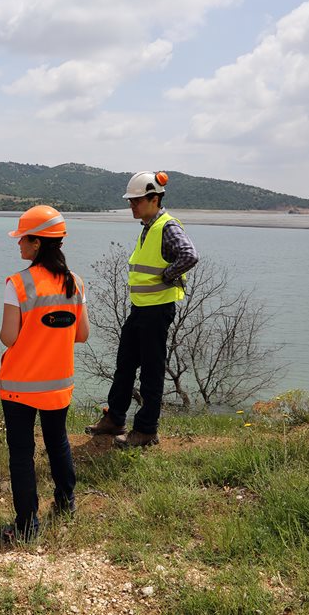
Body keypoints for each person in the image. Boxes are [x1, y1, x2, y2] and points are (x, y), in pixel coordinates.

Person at [0, 206, 89, 542]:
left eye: (23, 238)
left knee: (21, 453)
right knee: (57, 441)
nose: (19, 243)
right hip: (57, 384)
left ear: (37, 243)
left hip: (20, 386)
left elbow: (8, 337)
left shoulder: (18, 285)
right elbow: (81, 334)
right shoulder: (74, 283)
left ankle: (27, 525)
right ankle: (66, 503)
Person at [85, 172, 198, 447]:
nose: (132, 206)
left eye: (137, 201)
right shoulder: (149, 225)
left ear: (154, 199)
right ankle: (115, 419)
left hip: (156, 311)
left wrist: (167, 275)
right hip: (141, 309)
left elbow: (190, 255)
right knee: (124, 364)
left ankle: (146, 430)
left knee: (150, 371)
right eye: (131, 201)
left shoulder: (167, 227)